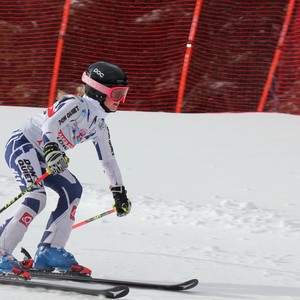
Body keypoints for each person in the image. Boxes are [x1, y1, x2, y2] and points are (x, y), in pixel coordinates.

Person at [0, 61, 132, 278]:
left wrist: (119, 192)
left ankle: (49, 251)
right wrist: (52, 150)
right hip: (24, 144)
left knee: (73, 190)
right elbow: (49, 125)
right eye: (117, 94)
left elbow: (108, 160)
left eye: (123, 94)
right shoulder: (76, 105)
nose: (121, 100)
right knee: (36, 197)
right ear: (99, 93)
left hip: (47, 154)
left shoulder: (99, 125)